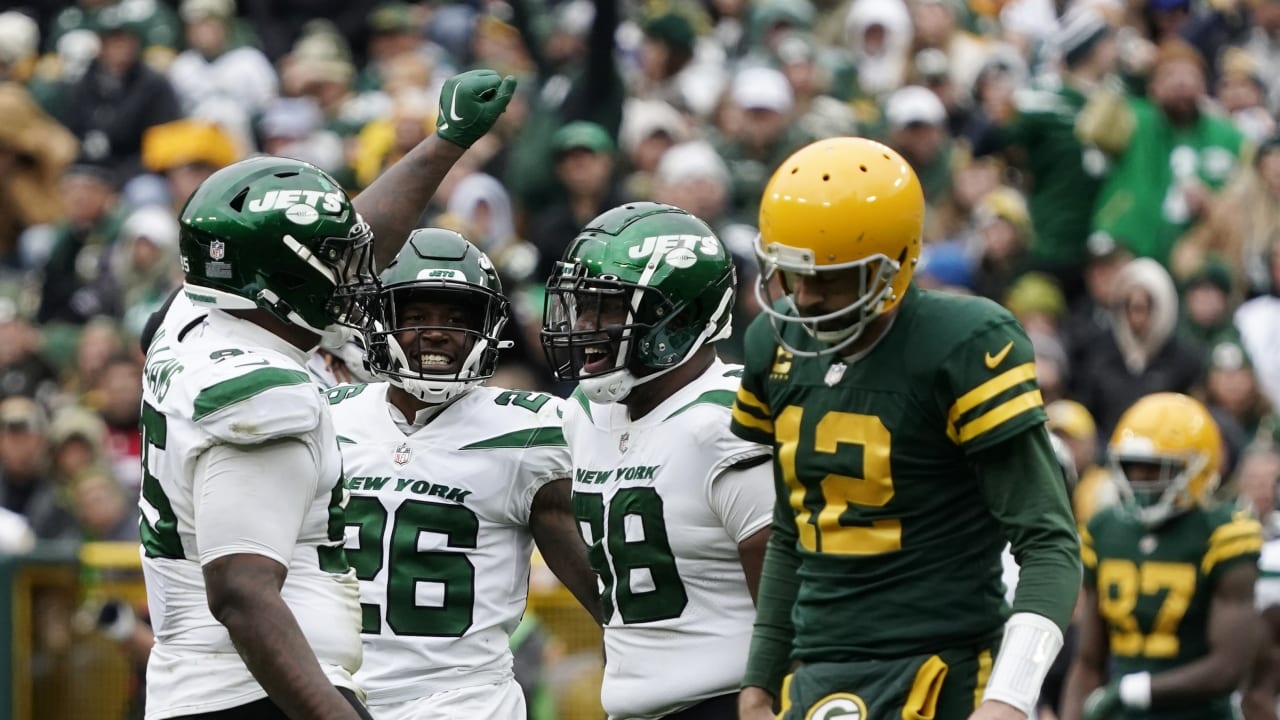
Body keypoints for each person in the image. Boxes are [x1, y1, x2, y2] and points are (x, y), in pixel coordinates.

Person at [137, 69, 519, 720]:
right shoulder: (262, 390)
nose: (356, 279)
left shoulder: (190, 320)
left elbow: (344, 240)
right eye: (335, 263)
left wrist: (444, 143)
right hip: (260, 697)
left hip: (213, 689)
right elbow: (242, 595)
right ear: (288, 277)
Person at [732, 137, 1081, 720]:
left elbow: (1048, 541)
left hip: (942, 670)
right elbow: (794, 527)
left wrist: (1010, 698)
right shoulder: (773, 342)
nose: (807, 298)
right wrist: (759, 681)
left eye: (831, 278)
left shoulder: (964, 343)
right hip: (814, 675)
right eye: (794, 274)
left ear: (892, 263)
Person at [328, 228, 599, 719]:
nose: (436, 332)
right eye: (415, 316)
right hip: (334, 696)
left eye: (457, 317)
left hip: (464, 701)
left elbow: (605, 591)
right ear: (379, 321)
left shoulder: (532, 430)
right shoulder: (327, 416)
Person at [541, 202, 775, 719]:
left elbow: (788, 606)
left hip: (729, 701)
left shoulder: (727, 422)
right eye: (582, 306)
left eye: (608, 307)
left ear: (681, 317)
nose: (585, 324)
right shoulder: (584, 413)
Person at [1061, 392, 1263, 720]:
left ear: (1198, 466)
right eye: (1131, 468)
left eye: (1155, 470)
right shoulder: (1104, 529)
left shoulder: (1224, 533)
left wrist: (1136, 690)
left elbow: (1229, 667)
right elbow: (1087, 662)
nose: (1140, 481)